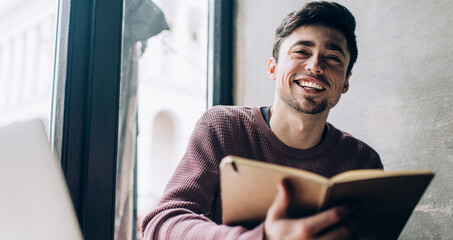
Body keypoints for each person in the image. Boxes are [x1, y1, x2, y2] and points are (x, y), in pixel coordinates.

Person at [141, 1, 383, 239]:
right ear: (273, 68)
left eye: (333, 58)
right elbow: (161, 223)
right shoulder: (222, 126)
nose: (315, 66)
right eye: (301, 52)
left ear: (345, 82)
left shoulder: (363, 162)